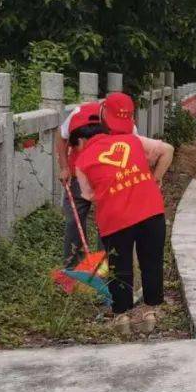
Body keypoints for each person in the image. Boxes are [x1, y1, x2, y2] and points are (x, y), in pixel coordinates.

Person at [71, 114, 174, 337]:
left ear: (80, 141)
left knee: (120, 266)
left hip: (115, 217)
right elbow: (168, 149)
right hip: (151, 210)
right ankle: (150, 313)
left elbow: (88, 195)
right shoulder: (131, 140)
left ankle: (122, 317)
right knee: (151, 262)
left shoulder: (81, 161)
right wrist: (154, 180)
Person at [54, 92, 138, 266]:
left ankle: (103, 266)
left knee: (107, 224)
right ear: (103, 110)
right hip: (78, 176)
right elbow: (61, 136)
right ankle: (72, 267)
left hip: (108, 182)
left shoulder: (128, 126)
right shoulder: (79, 114)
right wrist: (64, 167)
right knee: (73, 222)